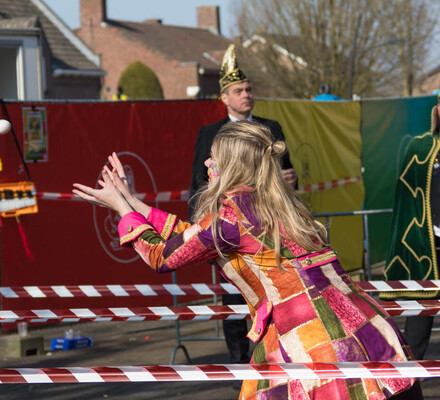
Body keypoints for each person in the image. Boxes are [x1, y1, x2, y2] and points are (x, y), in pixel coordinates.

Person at [73, 121, 421, 399]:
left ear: (231, 167)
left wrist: (121, 209)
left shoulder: (231, 217)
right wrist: (133, 202)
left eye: (213, 158)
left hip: (314, 348)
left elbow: (162, 256)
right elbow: (193, 237)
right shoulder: (279, 204)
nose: (207, 164)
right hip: (369, 333)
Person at [189, 43, 297, 371]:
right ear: (224, 97)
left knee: (279, 296)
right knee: (236, 300)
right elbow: (197, 186)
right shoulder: (209, 134)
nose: (246, 94)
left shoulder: (271, 128)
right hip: (231, 232)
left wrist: (288, 181)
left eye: (249, 89)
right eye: (239, 90)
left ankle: (280, 361)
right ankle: (239, 365)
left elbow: (291, 178)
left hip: (271, 230)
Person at [382, 93, 440, 360]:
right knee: (417, 334)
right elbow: (405, 206)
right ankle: (410, 386)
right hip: (426, 250)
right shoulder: (420, 148)